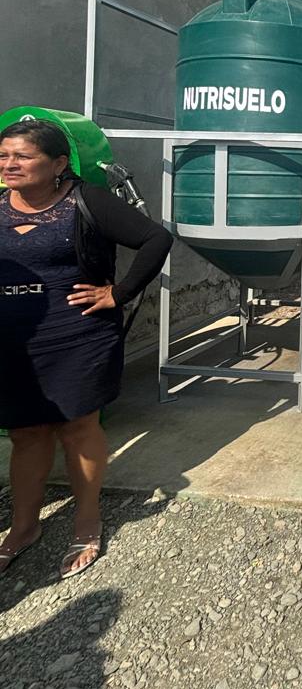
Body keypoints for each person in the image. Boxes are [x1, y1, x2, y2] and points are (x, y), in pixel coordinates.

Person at [0, 120, 172, 578]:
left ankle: (87, 519)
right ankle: (23, 527)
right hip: (14, 342)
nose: (9, 165)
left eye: (22, 156)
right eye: (3, 156)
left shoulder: (85, 200)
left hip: (77, 335)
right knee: (26, 433)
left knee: (78, 427)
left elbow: (156, 238)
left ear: (58, 163)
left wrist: (120, 292)